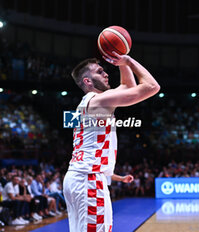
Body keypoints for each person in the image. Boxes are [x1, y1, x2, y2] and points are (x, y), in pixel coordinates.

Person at [63, 52, 160, 232]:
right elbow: (152, 87)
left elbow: (127, 86)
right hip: (88, 179)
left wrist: (121, 62)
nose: (106, 73)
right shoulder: (99, 101)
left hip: (79, 177)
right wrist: (129, 60)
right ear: (88, 82)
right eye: (100, 72)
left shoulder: (88, 103)